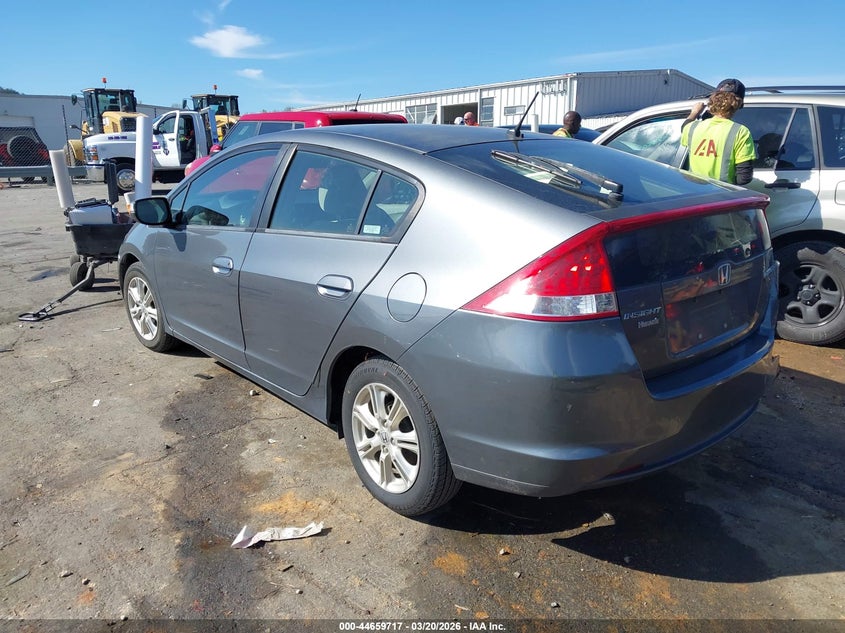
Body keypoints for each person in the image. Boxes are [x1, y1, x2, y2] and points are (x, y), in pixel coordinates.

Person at [680, 78, 755, 185]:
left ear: (713, 99)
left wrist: (695, 112)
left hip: (694, 192)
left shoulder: (692, 128)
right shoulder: (741, 132)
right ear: (739, 104)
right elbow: (744, 178)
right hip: (721, 196)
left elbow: (684, 127)